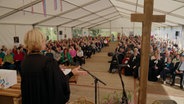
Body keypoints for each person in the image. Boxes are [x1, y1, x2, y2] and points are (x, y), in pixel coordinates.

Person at [21, 28, 87, 104]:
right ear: (39, 42)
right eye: (44, 40)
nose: (45, 42)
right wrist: (72, 73)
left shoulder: (25, 61)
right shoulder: (48, 62)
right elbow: (59, 82)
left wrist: (55, 69)